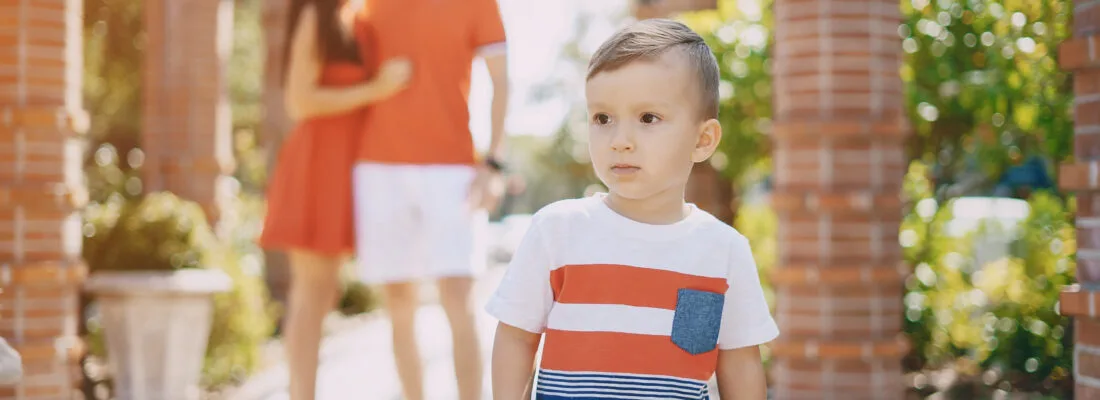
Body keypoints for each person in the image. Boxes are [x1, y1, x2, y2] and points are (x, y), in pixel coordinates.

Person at [485, 19, 779, 400]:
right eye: (602, 118)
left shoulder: (724, 251)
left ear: (703, 140)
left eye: (647, 118)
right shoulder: (557, 232)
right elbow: (516, 338)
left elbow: (740, 364)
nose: (619, 140)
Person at [351, 0, 510, 399]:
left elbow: (502, 81)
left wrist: (493, 164)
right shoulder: (367, 4)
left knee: (458, 297)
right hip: (379, 166)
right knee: (398, 303)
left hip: (452, 169)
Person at [258, 0, 411, 398]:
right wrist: (374, 90)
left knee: (326, 291)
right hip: (319, 163)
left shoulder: (361, 19)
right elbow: (298, 100)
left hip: (355, 166)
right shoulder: (316, 14)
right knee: (311, 290)